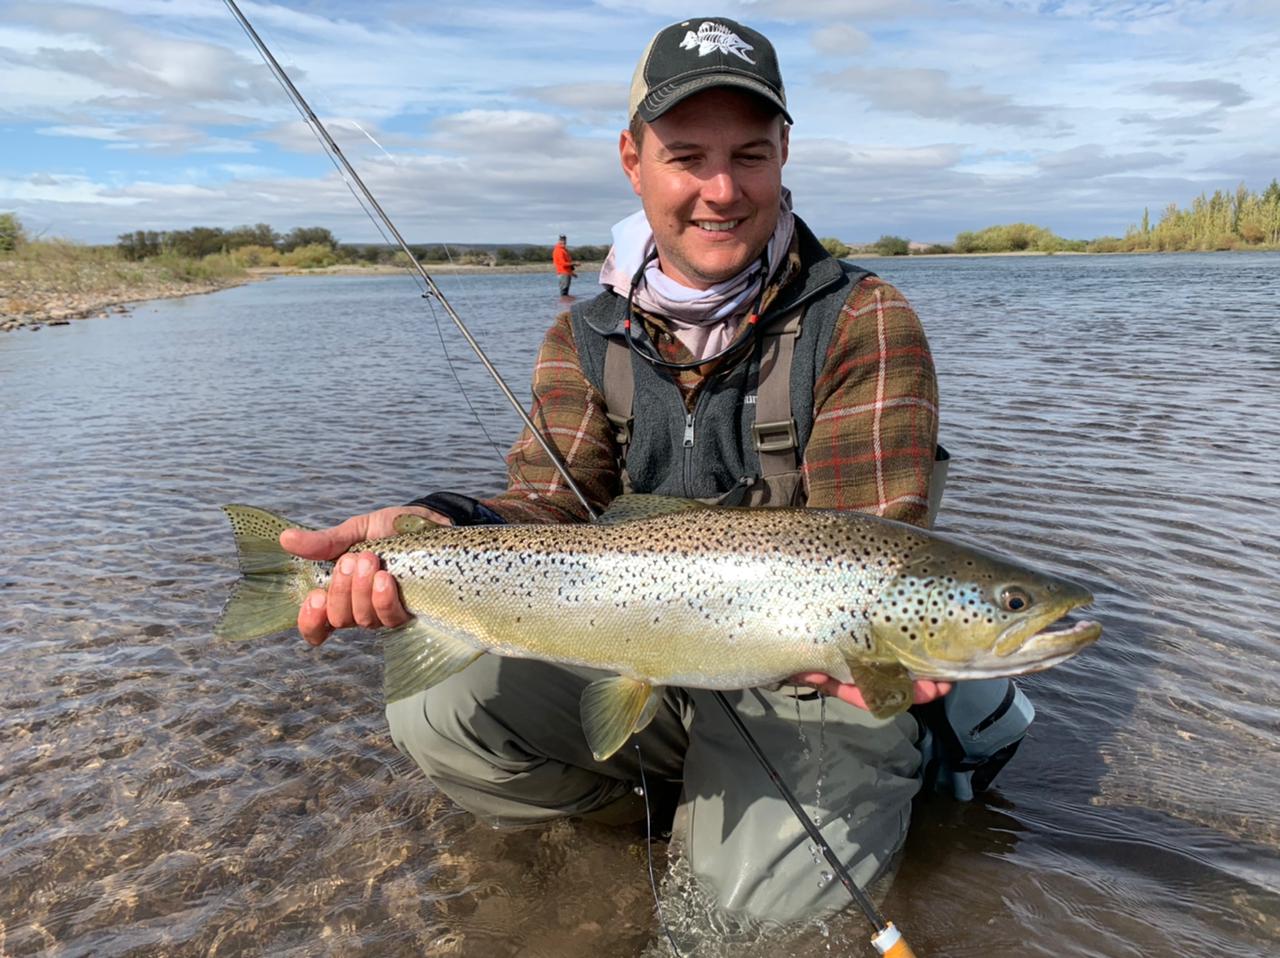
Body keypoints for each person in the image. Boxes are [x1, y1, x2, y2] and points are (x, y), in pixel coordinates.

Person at [281, 16, 986, 925]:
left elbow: (872, 541)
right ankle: (666, 814)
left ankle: (869, 786)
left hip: (810, 682)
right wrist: (435, 523)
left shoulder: (861, 320)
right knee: (441, 709)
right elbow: (541, 508)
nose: (721, 190)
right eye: (687, 155)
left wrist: (880, 659)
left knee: (730, 934)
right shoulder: (585, 335)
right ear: (633, 159)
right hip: (640, 650)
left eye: (751, 154)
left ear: (784, 156)